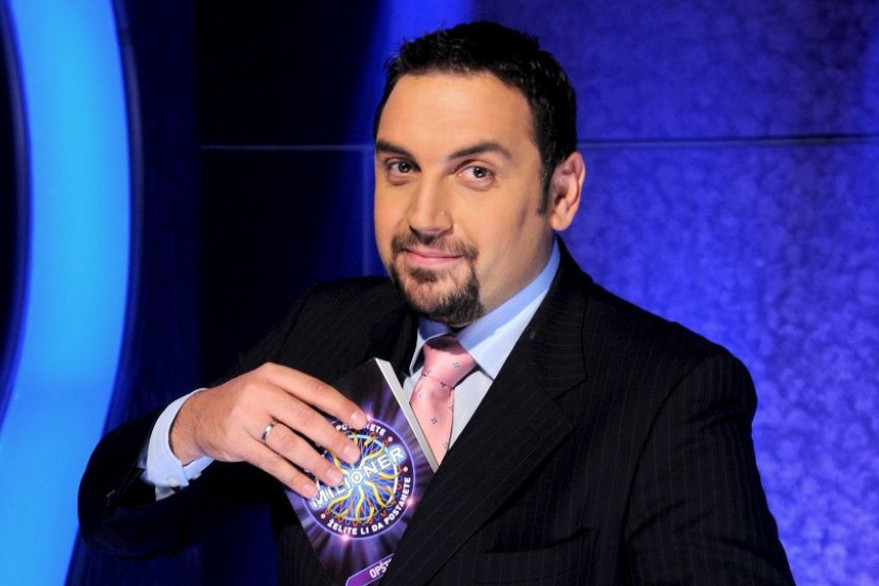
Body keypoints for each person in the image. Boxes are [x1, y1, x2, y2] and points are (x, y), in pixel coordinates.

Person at [79, 21, 795, 585]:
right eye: (400, 167)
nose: (423, 216)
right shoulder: (324, 328)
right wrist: (193, 428)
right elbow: (119, 531)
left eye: (474, 172)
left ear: (561, 192)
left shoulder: (668, 391)